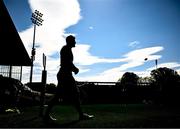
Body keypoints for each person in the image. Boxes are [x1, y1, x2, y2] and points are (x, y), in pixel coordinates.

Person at [44, 35, 94, 122]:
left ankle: (46, 115)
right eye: (74, 41)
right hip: (65, 75)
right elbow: (68, 62)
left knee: (63, 95)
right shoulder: (66, 49)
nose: (75, 42)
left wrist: (73, 69)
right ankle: (81, 115)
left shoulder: (67, 49)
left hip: (65, 74)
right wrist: (75, 69)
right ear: (70, 41)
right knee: (74, 94)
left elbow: (67, 62)